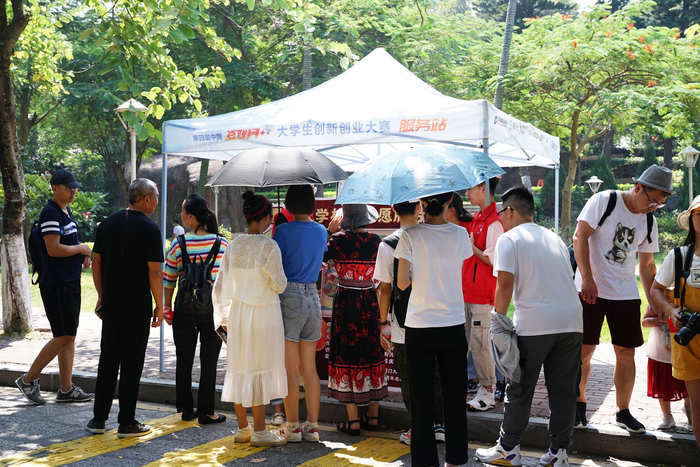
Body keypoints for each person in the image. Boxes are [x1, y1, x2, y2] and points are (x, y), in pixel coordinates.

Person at [476, 187, 583, 467]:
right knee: (563, 391)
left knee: (519, 387)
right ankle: (559, 453)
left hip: (536, 322)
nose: (501, 218)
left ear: (510, 210)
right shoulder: (553, 237)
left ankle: (508, 449)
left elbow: (505, 283)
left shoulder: (509, 238)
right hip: (572, 321)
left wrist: (497, 320)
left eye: (502, 212)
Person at [573, 164, 674, 433]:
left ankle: (623, 411)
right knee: (584, 350)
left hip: (625, 293)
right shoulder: (604, 201)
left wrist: (653, 299)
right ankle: (578, 404)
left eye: (659, 204)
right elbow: (579, 237)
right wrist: (587, 278)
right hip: (590, 289)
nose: (653, 208)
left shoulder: (648, 221)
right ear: (638, 187)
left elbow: (647, 264)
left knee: (626, 352)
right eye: (651, 201)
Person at [395, 191, 470, 467]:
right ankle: (455, 461)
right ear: (449, 203)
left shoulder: (410, 235)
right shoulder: (461, 234)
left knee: (421, 400)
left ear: (421, 204)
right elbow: (458, 270)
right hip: (453, 323)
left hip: (420, 325)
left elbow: (402, 282)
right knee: (454, 397)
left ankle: (425, 461)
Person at [86, 179, 164, 438]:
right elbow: (155, 272)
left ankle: (98, 419)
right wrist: (160, 305)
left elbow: (96, 263)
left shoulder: (107, 224)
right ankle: (127, 422)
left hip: (111, 305)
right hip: (137, 307)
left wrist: (101, 295)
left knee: (108, 361)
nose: (157, 201)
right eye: (156, 197)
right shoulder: (150, 229)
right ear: (146, 199)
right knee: (131, 363)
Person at [212, 191, 288, 447]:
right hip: (264, 313)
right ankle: (260, 431)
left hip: (239, 313)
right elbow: (280, 284)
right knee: (259, 367)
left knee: (240, 367)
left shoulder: (234, 246)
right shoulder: (268, 246)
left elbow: (220, 285)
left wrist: (223, 315)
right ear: (265, 217)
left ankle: (243, 428)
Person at [16, 169, 94, 405]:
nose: (73, 191)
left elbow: (67, 244)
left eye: (75, 187)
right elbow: (53, 249)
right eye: (69, 187)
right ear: (55, 188)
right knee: (63, 335)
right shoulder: (50, 213)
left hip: (68, 281)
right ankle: (28, 380)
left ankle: (66, 389)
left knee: (69, 336)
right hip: (56, 284)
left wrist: (81, 254)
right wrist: (81, 249)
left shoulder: (65, 212)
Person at [374, 200, 448, 446]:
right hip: (434, 317)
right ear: (419, 208)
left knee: (409, 375)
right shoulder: (431, 236)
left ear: (393, 210)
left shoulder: (387, 244)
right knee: (434, 372)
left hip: (403, 322)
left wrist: (382, 323)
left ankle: (418, 426)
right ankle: (439, 424)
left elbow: (385, 289)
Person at [163, 194, 228, 424]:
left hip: (184, 309)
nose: (181, 216)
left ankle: (186, 408)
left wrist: (166, 307)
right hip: (213, 311)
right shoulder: (222, 244)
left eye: (183, 212)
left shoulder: (179, 243)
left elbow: (169, 278)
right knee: (209, 360)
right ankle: (207, 412)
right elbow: (227, 281)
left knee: (184, 358)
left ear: (191, 217)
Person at [325, 204, 388, 435]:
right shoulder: (376, 241)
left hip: (345, 303)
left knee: (347, 353)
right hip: (369, 300)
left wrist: (329, 232)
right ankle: (373, 416)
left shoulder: (338, 240)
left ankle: (352, 421)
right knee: (372, 351)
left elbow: (319, 257)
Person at [272, 185, 327, 443]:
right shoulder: (321, 230)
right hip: (313, 296)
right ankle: (312, 427)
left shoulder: (282, 231)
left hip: (289, 297)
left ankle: (292, 426)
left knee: (290, 369)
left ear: (290, 203)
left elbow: (275, 265)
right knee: (309, 368)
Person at [649, 195, 700, 449]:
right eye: (699, 214)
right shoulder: (679, 256)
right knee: (698, 407)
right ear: (691, 220)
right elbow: (655, 289)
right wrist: (671, 310)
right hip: (688, 340)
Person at [465, 178, 504, 411]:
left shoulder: (494, 221)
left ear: (484, 188)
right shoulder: (479, 218)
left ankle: (488, 392)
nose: (467, 193)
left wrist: (472, 248)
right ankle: (484, 388)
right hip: (471, 291)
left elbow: (494, 259)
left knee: (481, 345)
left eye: (470, 188)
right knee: (475, 344)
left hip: (483, 293)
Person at [641, 306, 691, 430]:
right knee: (662, 386)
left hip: (682, 353)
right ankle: (667, 416)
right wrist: (659, 319)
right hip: (660, 352)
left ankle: (690, 412)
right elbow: (644, 322)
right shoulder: (655, 304)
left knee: (688, 385)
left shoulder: (682, 303)